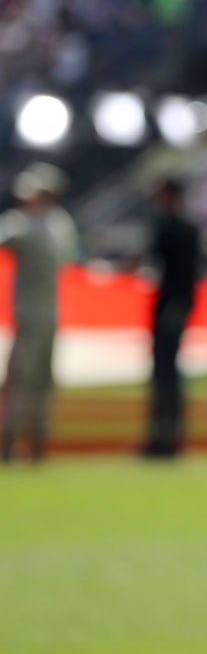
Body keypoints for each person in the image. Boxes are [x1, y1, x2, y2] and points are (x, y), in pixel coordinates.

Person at [0, 162, 78, 462]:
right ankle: (37, 444)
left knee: (20, 381)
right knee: (42, 383)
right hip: (50, 316)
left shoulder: (25, 226)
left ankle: (11, 443)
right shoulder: (63, 225)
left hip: (30, 316)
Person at [143, 178, 202, 458]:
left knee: (164, 373)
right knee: (170, 373)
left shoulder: (168, 227)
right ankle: (170, 434)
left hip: (168, 308)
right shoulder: (191, 228)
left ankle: (163, 437)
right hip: (179, 307)